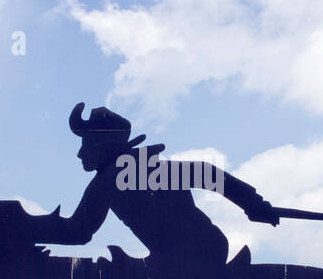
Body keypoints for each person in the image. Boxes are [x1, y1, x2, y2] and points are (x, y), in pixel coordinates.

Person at [36, 102, 278, 270]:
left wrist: (22, 231)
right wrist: (254, 205)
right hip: (195, 254)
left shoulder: (114, 179)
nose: (80, 153)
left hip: (193, 258)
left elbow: (78, 230)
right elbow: (208, 173)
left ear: (101, 144)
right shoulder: (121, 175)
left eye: (85, 143)